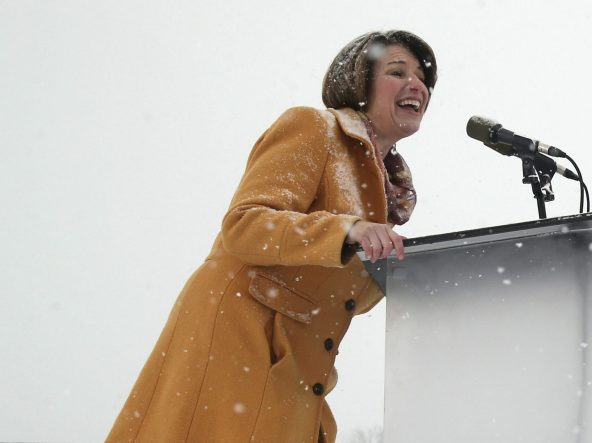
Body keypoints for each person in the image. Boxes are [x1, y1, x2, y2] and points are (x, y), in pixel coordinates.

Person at [106, 30, 437, 443]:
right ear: (358, 84)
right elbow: (244, 225)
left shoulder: (384, 190)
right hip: (242, 339)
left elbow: (334, 284)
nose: (416, 84)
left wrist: (416, 276)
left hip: (302, 365)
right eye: (397, 71)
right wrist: (346, 230)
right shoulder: (315, 128)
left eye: (423, 78)